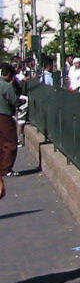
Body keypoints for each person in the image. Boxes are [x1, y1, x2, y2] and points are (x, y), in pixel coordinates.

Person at [0, 63, 20, 199]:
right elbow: (14, 100)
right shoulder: (6, 86)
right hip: (4, 116)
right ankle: (6, 169)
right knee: (10, 142)